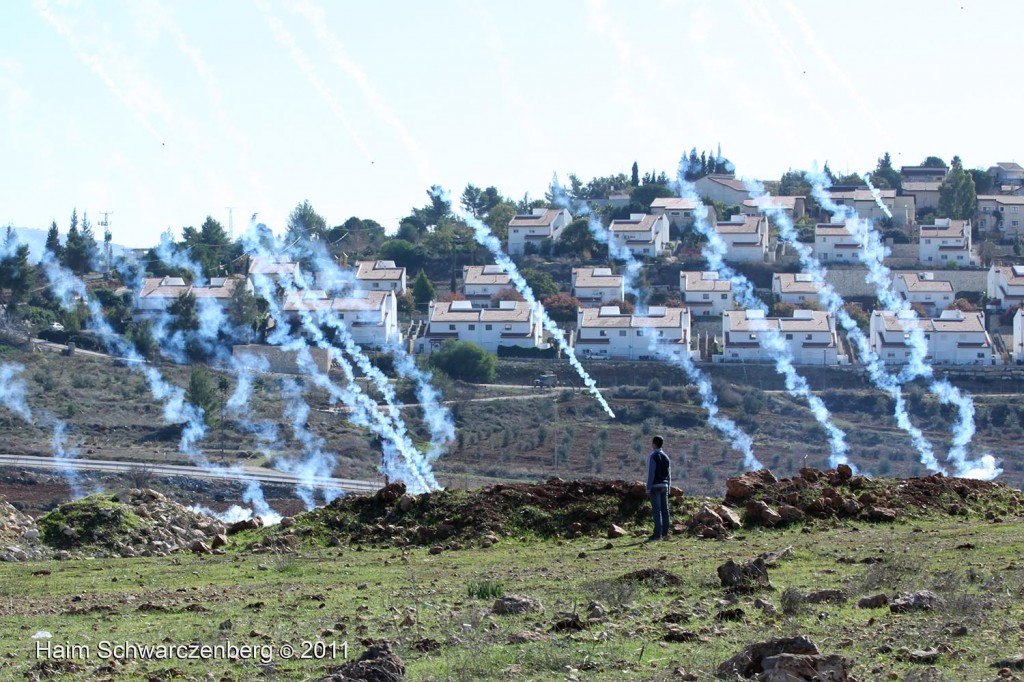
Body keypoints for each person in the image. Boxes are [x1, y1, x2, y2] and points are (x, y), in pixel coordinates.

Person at [645, 435, 671, 541]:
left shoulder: (653, 456)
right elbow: (669, 474)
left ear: (654, 444)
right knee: (665, 509)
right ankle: (665, 533)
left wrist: (648, 487)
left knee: (657, 510)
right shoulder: (666, 457)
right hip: (664, 485)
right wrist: (669, 487)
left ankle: (657, 534)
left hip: (655, 486)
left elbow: (651, 474)